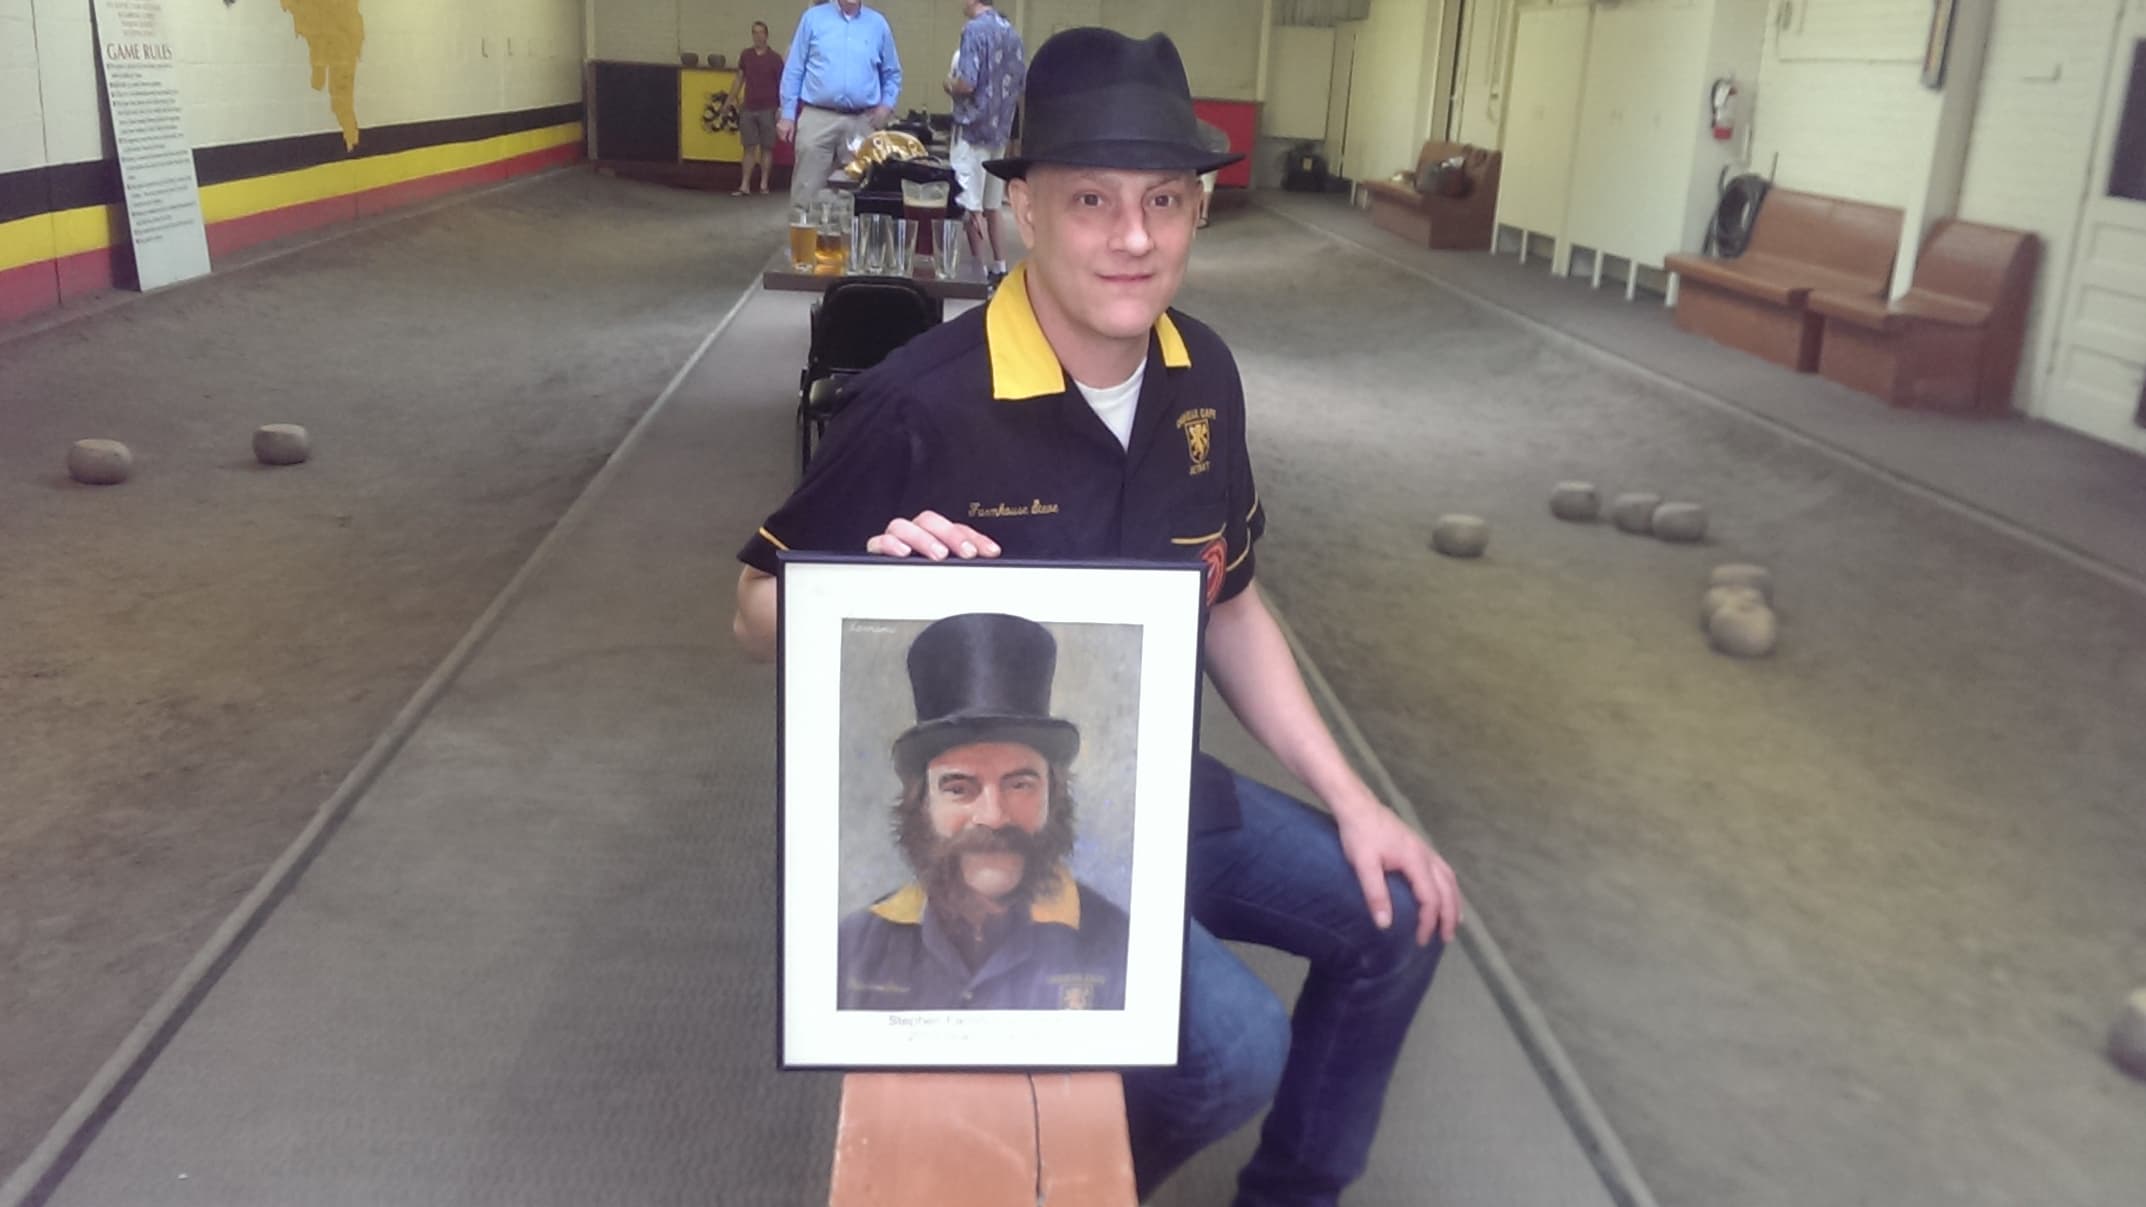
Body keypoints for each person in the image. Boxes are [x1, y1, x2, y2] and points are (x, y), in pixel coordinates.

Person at [735, 28, 1463, 1206]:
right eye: (1092, 200)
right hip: (997, 830)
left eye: (1163, 200)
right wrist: (861, 579)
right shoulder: (921, 402)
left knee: (1404, 915)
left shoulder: (1202, 377)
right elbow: (752, 608)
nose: (1134, 237)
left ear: (1196, 214)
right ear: (1025, 208)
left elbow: (1230, 605)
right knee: (1233, 1049)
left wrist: (1355, 801)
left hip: (1159, 795)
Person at [837, 612, 1130, 1012]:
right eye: (959, 788)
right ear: (920, 802)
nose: (993, 817)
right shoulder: (854, 947)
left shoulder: (1118, 944)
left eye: (1019, 784)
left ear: (1054, 794)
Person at [777, 0, 903, 209]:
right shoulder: (813, 19)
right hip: (817, 118)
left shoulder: (878, 24)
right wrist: (788, 114)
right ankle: (803, 230)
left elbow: (893, 74)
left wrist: (886, 106)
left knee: (860, 190)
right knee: (806, 188)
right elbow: (794, 69)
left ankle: (851, 231)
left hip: (862, 121)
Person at [944, 0, 1024, 281]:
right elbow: (1020, 83)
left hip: (972, 130)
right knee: (993, 205)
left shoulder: (973, 30)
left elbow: (967, 83)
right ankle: (1000, 266)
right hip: (999, 130)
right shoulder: (1011, 32)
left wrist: (948, 85)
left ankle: (978, 271)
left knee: (971, 205)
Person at [733, 21, 783, 196]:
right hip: (749, 107)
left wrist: (782, 107)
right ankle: (744, 184)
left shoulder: (775, 59)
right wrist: (731, 99)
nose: (757, 36)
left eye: (761, 32)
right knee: (748, 147)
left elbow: (782, 85)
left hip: (769, 108)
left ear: (766, 35)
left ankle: (763, 183)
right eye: (754, 32)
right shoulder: (746, 55)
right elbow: (739, 78)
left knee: (766, 147)